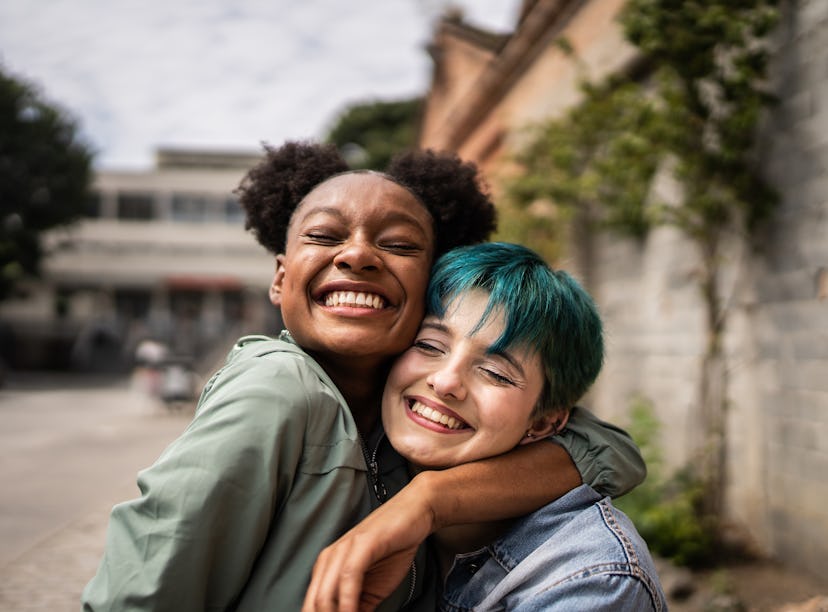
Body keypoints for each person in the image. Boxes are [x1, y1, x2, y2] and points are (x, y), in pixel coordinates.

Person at [81, 142, 646, 611]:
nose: (356, 255)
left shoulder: (396, 407)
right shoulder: (276, 390)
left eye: (398, 245)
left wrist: (427, 498)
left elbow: (611, 449)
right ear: (279, 279)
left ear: (427, 288)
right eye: (325, 237)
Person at [306, 242, 666, 611]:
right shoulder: (352, 451)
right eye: (429, 345)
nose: (445, 381)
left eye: (494, 372)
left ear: (543, 423)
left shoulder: (591, 580)